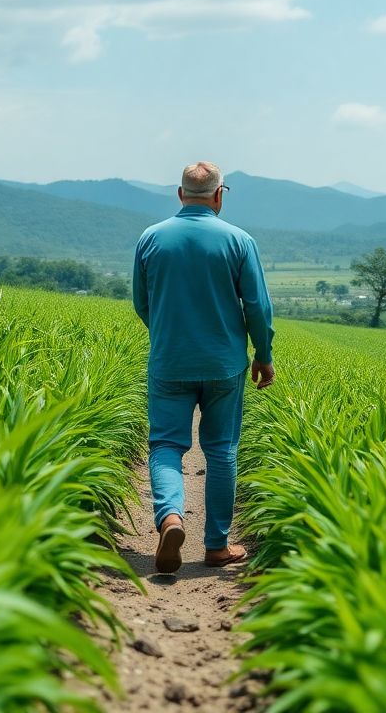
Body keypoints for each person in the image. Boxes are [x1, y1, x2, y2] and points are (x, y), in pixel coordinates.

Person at [132, 161, 275, 573]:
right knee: (222, 450)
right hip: (224, 364)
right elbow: (257, 306)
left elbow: (143, 303)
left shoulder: (150, 238)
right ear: (219, 196)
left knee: (165, 446)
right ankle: (215, 546)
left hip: (169, 361)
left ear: (180, 195)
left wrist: (167, 335)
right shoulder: (239, 241)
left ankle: (171, 518)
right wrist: (262, 354)